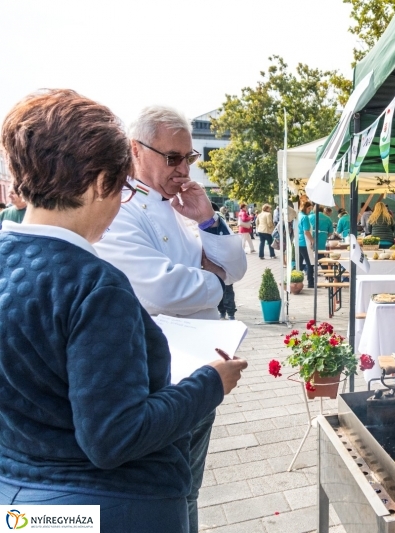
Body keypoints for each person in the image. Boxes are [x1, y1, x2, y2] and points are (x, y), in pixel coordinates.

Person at [0, 89, 247, 532]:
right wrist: (211, 382)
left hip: (22, 500)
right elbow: (115, 436)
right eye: (121, 189)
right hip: (113, 504)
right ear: (101, 183)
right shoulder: (96, 285)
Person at [94, 105, 247, 533]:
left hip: (203, 366)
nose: (183, 169)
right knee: (170, 491)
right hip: (159, 376)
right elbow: (159, 288)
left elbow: (236, 267)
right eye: (172, 157)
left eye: (189, 157)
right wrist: (214, 281)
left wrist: (208, 219)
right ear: (135, 150)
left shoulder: (181, 202)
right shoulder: (120, 206)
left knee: (189, 487)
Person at [300, 204, 334, 288]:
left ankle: (301, 278)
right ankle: (328, 278)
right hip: (322, 242)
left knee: (308, 261)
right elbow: (330, 233)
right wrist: (325, 236)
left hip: (310, 242)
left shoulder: (309, 217)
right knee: (322, 260)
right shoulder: (328, 218)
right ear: (323, 210)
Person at [296, 201, 313, 284]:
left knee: (299, 263)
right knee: (310, 263)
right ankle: (310, 282)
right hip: (304, 242)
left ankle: (297, 280)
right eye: (309, 208)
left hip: (298, 241)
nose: (310, 210)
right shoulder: (305, 217)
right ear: (305, 208)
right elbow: (306, 231)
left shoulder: (298, 215)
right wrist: (312, 240)